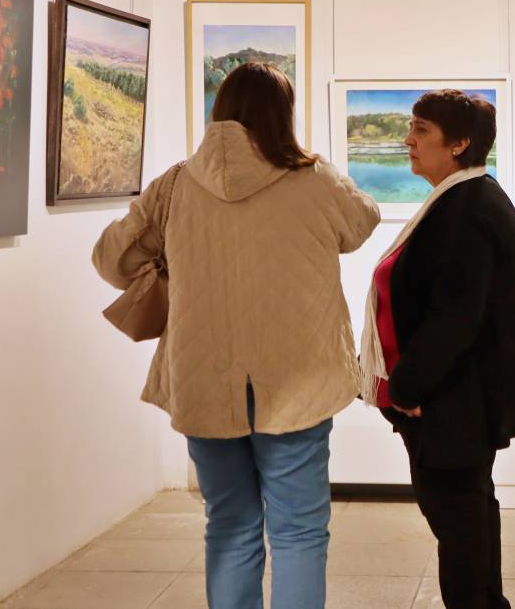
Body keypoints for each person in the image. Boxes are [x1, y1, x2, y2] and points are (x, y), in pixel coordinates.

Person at [93, 62, 380, 609]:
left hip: (203, 380)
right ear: (282, 115)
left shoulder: (174, 185)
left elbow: (111, 261)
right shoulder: (315, 179)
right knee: (298, 530)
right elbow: (361, 222)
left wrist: (163, 251)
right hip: (300, 381)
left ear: (219, 110)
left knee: (228, 523)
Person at [355, 89, 515, 609]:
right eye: (410, 128)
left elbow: (456, 317)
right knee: (470, 515)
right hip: (458, 396)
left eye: (421, 131)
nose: (407, 141)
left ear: (459, 144)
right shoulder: (465, 198)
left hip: (453, 399)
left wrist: (410, 387)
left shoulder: (467, 209)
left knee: (459, 524)